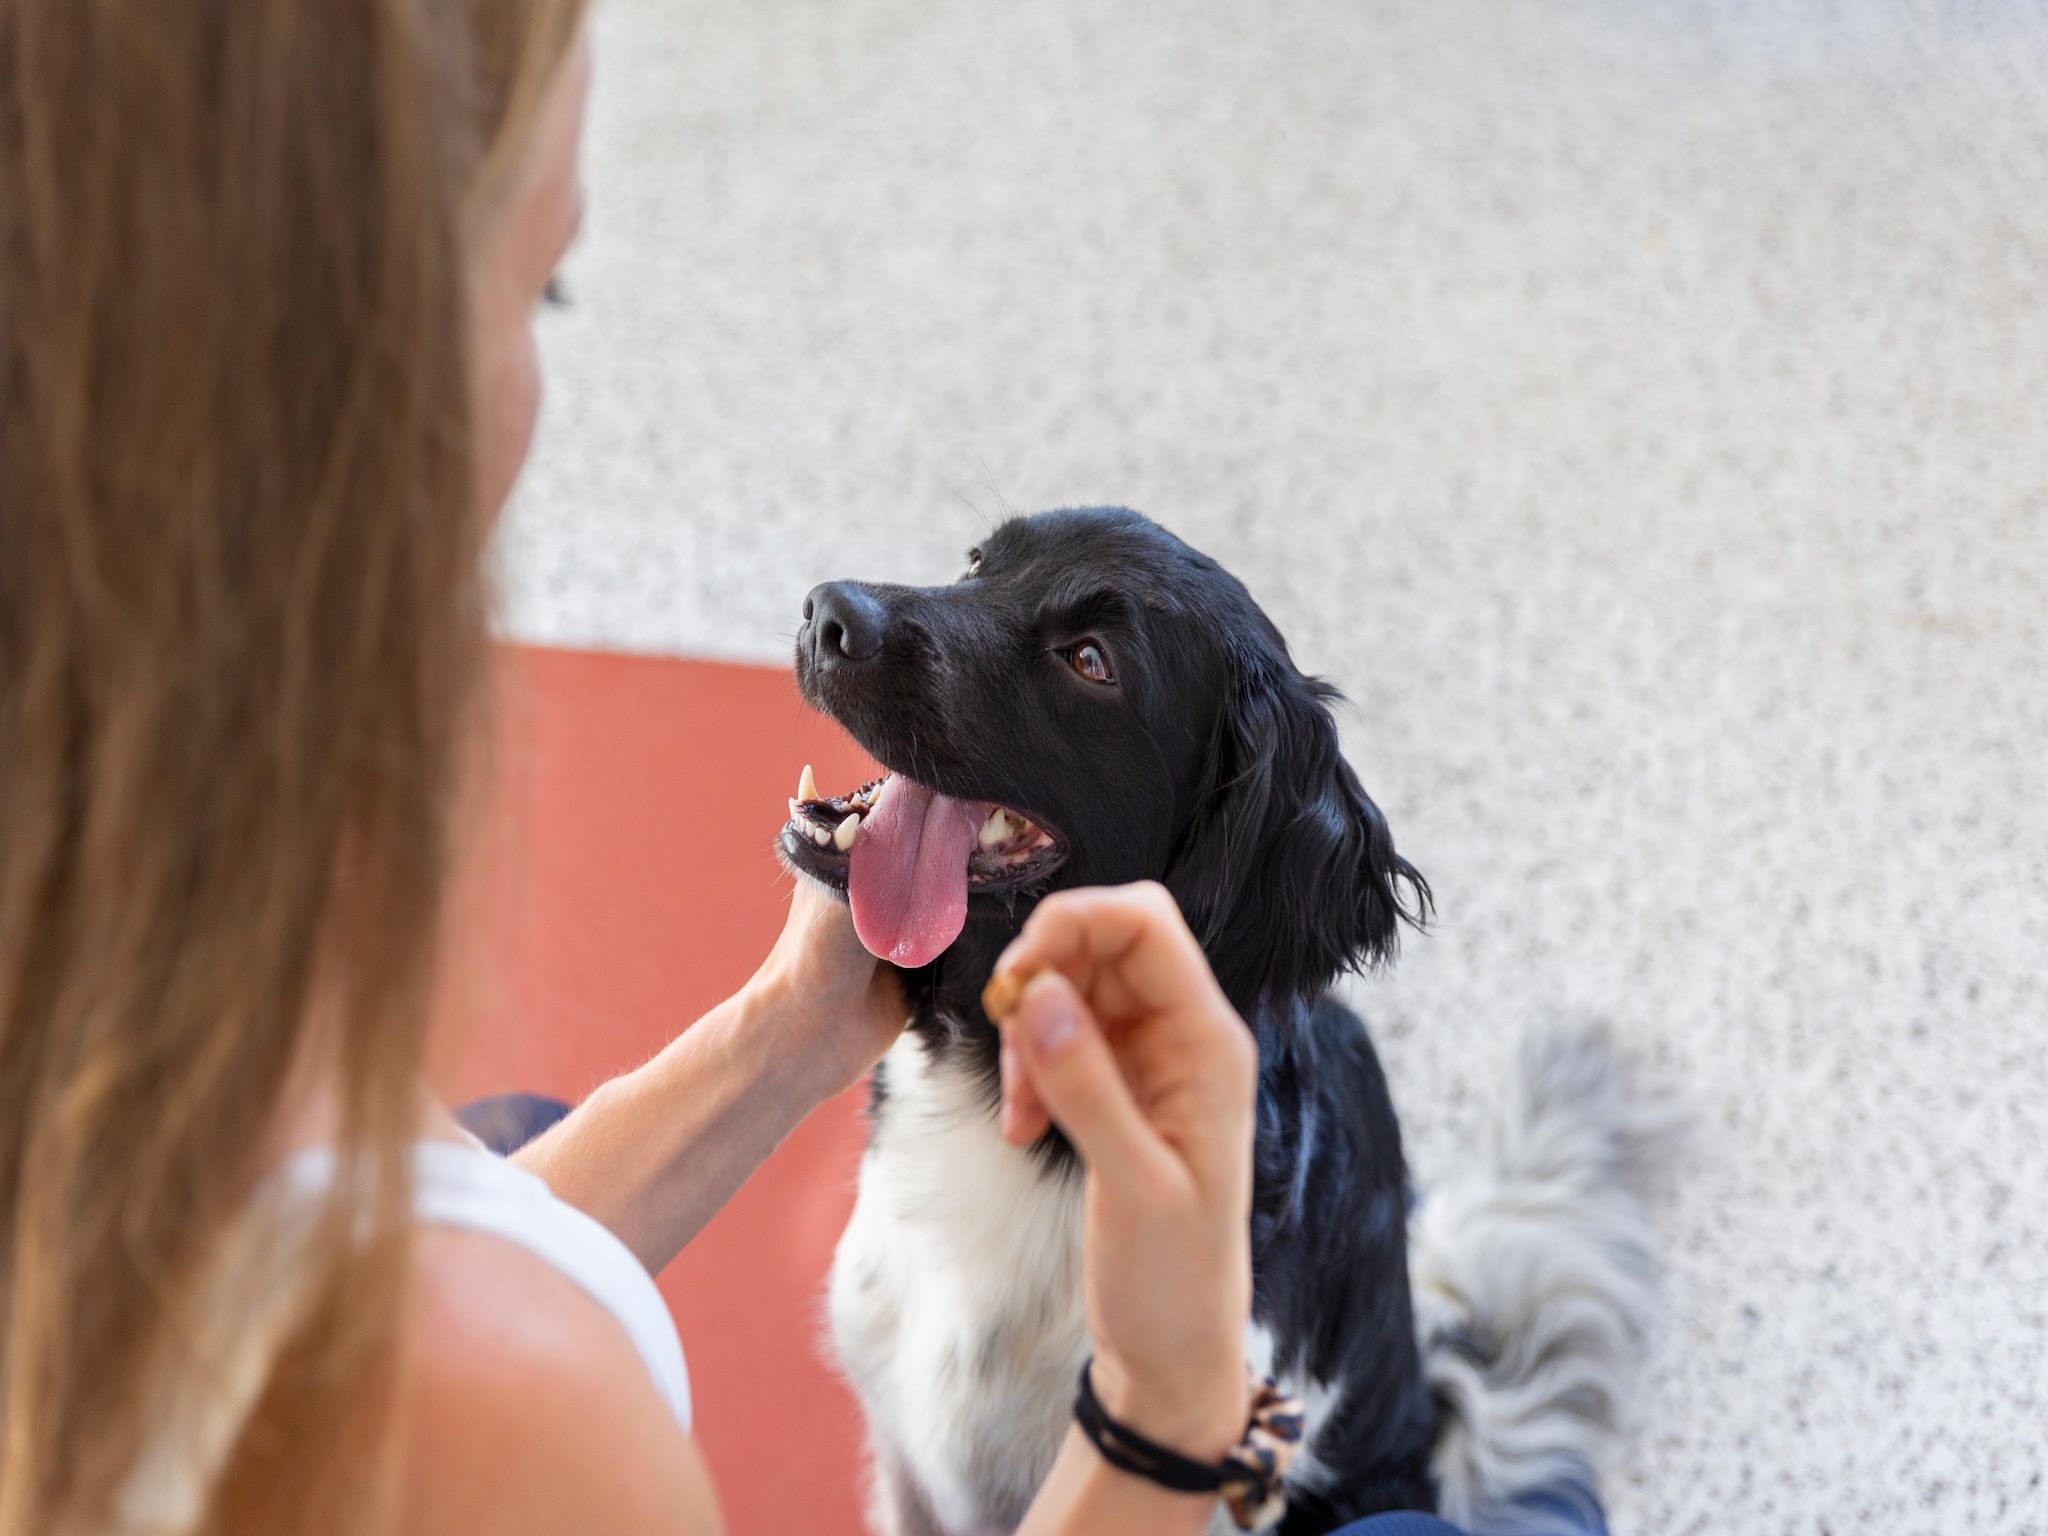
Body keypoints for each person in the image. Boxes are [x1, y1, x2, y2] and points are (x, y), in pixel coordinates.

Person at [0, 4, 1421, 1534]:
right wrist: (1163, 1424)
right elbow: (444, 1356)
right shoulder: (515, 1421)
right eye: (538, 287)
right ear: (350, 392)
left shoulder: (141, 1010)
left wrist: (782, 1032)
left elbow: (413, 1275)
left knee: (505, 1133)